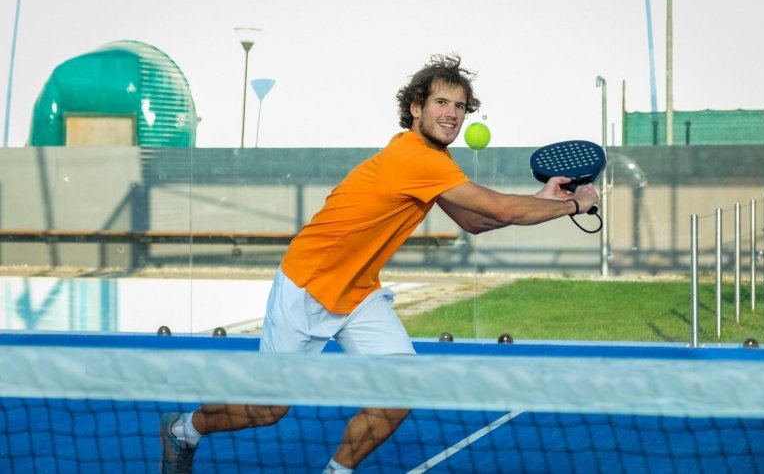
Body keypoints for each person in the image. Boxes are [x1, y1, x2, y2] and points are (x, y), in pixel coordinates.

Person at [159, 54, 599, 473]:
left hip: (358, 293)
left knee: (399, 391)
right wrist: (574, 206)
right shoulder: (415, 158)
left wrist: (543, 200)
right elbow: (501, 210)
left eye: (460, 107)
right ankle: (183, 431)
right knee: (267, 409)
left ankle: (337, 470)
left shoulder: (435, 162)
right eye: (441, 102)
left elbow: (475, 222)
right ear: (415, 108)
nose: (452, 114)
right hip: (308, 285)